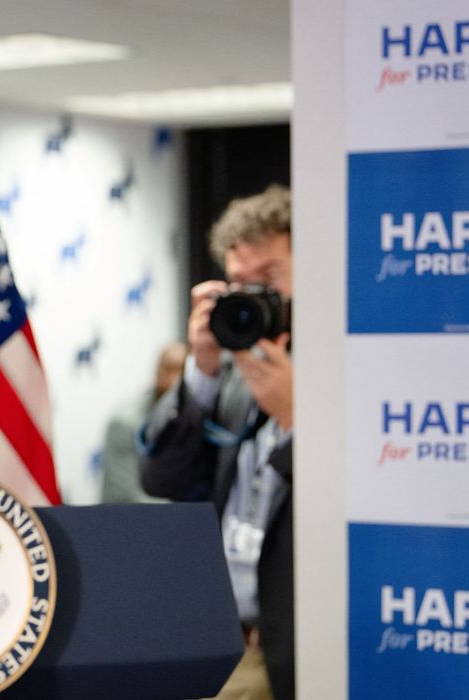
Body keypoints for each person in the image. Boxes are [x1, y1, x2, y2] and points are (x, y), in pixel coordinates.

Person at [139, 184, 294, 700]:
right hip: (224, 636)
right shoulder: (231, 378)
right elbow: (162, 479)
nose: (251, 297)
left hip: (303, 639)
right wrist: (201, 370)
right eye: (238, 284)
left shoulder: (349, 368)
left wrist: (294, 416)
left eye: (268, 278)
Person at [100, 341, 186, 503]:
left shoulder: (199, 418)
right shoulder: (124, 422)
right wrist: (186, 511)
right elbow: (126, 496)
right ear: (160, 375)